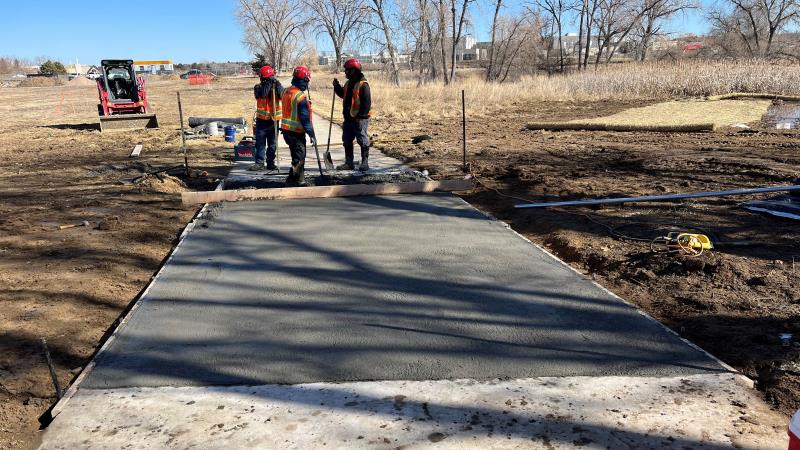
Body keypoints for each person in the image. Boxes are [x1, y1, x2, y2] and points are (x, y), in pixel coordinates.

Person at [333, 58, 372, 171]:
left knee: (362, 140)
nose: (345, 72)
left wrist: (360, 117)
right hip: (348, 119)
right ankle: (349, 163)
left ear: (354, 71)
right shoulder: (348, 83)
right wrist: (336, 87)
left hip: (359, 119)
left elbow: (366, 103)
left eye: (347, 70)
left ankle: (365, 162)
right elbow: (342, 94)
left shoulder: (363, 85)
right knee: (347, 140)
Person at [280, 66, 316, 186]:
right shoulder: (300, 97)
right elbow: (305, 120)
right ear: (304, 80)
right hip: (296, 133)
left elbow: (290, 108)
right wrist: (312, 134)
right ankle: (294, 181)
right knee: (299, 158)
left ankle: (298, 179)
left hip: (286, 131)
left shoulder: (286, 91)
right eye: (307, 81)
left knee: (296, 156)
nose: (307, 84)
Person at [249, 65, 284, 171]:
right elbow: (263, 94)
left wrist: (276, 83)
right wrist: (269, 82)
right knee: (260, 143)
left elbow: (283, 95)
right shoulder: (258, 87)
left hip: (273, 121)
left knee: (272, 144)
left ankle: (270, 163)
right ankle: (259, 163)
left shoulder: (276, 86)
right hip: (261, 121)